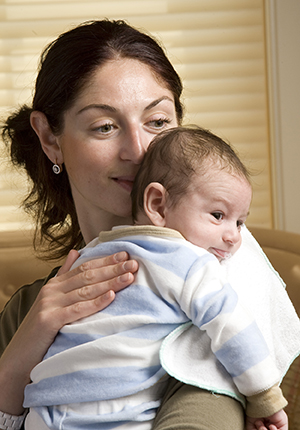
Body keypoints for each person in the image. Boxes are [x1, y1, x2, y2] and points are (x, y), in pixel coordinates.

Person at [0, 19, 299, 430]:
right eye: (105, 126)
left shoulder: (222, 269)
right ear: (51, 138)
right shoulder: (28, 310)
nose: (139, 150)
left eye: (157, 122)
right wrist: (14, 367)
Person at [23, 125, 289, 430]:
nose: (233, 237)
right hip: (115, 411)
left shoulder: (95, 251)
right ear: (158, 205)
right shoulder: (189, 261)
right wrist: (264, 397)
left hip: (43, 410)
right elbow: (233, 328)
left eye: (240, 222)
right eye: (218, 215)